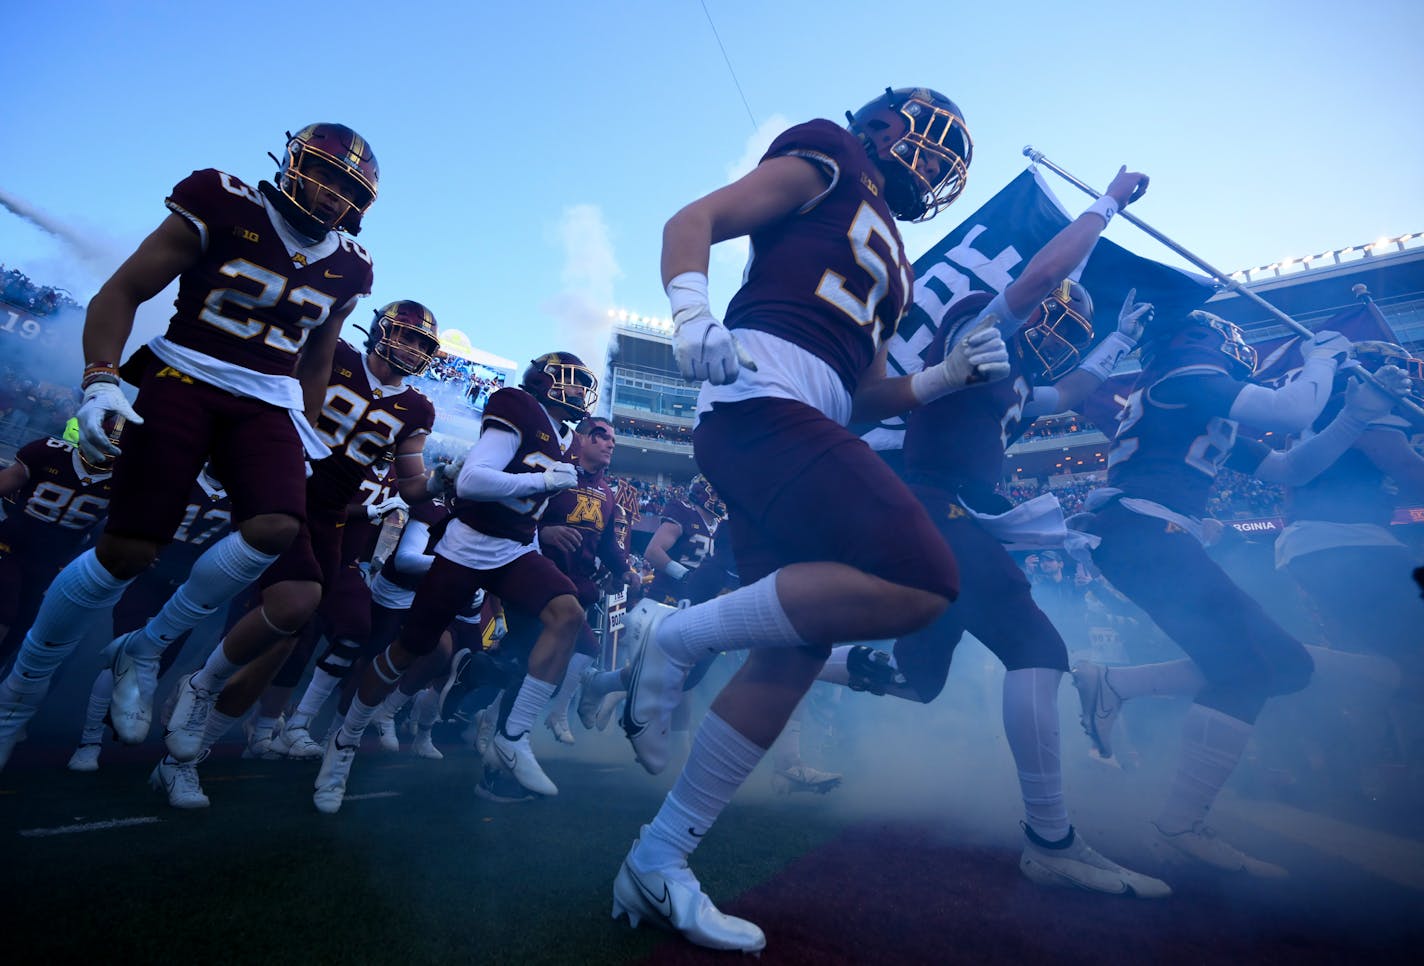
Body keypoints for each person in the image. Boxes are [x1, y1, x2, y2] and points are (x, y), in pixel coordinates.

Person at [611, 87, 1007, 953]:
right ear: (882, 124)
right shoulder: (833, 151)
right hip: (759, 391)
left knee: (794, 649)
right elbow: (696, 218)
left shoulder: (896, 259)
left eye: (949, 163)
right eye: (929, 143)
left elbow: (862, 398)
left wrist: (944, 380)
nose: (934, 165)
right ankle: (673, 637)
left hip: (808, 414)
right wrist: (689, 314)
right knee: (925, 579)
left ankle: (658, 860)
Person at [811, 192, 1172, 897]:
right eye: (1037, 314)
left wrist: (1122, 340)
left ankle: (763, 642)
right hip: (932, 507)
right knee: (1038, 648)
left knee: (920, 680)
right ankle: (1050, 837)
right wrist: (1107, 204)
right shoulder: (974, 339)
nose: (1046, 323)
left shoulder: (1013, 381)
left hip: (950, 514)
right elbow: (1038, 279)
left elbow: (1068, 396)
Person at [0, 123, 380, 770]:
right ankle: (18, 695)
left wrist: (306, 428)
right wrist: (100, 379)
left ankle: (146, 648)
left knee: (275, 527)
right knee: (127, 551)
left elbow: (317, 358)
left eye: (346, 188)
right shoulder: (221, 199)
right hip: (185, 372)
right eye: (323, 173)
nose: (330, 195)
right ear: (292, 164)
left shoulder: (352, 267)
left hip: (266, 398)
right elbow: (122, 290)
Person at [1070, 309, 1409, 877]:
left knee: (1280, 667)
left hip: (1151, 536)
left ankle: (1116, 687)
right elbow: (1293, 410)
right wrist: (1321, 360)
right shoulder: (1182, 377)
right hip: (1148, 531)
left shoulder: (1189, 396)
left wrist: (1352, 417)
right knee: (1257, 669)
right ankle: (1178, 821)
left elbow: (1291, 468)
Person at [145, 302, 440, 806]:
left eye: (422, 344)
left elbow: (413, 484)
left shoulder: (417, 408)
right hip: (283, 487)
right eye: (407, 337)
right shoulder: (336, 354)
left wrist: (444, 481)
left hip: (332, 516)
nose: (412, 349)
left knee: (283, 641)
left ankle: (191, 751)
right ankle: (193, 699)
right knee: (278, 612)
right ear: (381, 331)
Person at [311, 352, 597, 813]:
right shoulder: (518, 406)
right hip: (468, 544)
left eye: (584, 385)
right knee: (410, 648)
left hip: (515, 548)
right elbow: (473, 481)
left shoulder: (561, 435)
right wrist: (544, 482)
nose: (581, 392)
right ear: (545, 382)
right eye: (573, 382)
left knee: (568, 616)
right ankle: (343, 742)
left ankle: (513, 737)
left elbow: (523, 510)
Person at [0, 433, 116, 661]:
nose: (103, 453)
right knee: (4, 611)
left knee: (21, 628)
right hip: (11, 546)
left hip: (54, 561)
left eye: (111, 448)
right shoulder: (48, 452)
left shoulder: (129, 478)